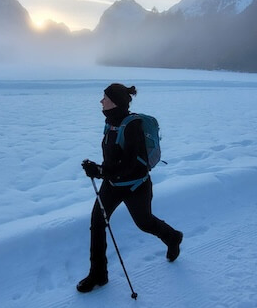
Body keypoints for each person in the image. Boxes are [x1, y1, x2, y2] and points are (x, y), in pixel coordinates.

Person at [77, 83, 183, 293]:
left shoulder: (132, 126)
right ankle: (99, 274)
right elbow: (113, 159)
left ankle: (172, 237)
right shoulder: (111, 123)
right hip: (113, 184)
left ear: (114, 102)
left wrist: (99, 172)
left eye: (104, 98)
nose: (101, 101)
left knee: (144, 223)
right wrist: (99, 169)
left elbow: (132, 166)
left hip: (136, 185)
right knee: (97, 222)